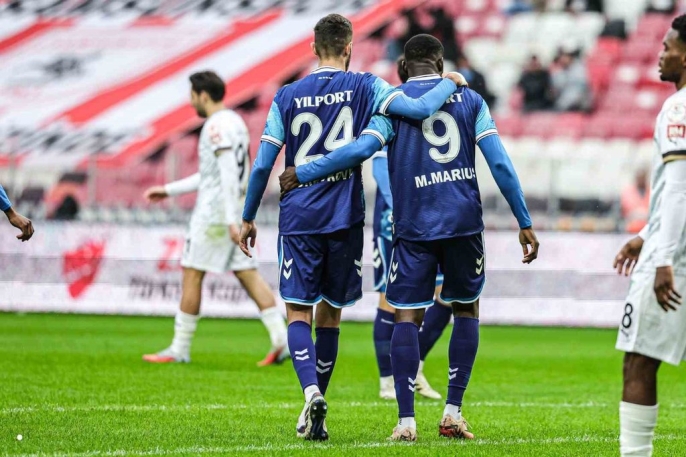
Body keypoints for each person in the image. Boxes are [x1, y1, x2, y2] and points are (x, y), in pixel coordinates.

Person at [280, 34, 539, 442]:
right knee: (466, 308)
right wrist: (523, 220)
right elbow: (500, 164)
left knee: (406, 314)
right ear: (441, 64)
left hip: (414, 227)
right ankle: (452, 412)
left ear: (404, 66)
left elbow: (358, 150)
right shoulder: (471, 101)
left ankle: (406, 421)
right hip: (463, 223)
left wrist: (303, 171)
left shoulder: (392, 106)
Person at [239, 13, 465, 441]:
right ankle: (316, 403)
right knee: (330, 315)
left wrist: (248, 215)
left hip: (300, 217)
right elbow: (419, 108)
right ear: (349, 48)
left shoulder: (286, 95)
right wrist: (450, 80)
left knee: (298, 311)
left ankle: (310, 394)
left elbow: (264, 163)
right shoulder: (367, 86)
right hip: (344, 216)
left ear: (313, 48)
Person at [141, 71, 289, 367]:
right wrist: (168, 190)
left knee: (192, 272)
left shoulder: (214, 126)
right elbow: (216, 174)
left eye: (192, 95)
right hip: (234, 208)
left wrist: (232, 220)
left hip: (215, 215)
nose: (191, 101)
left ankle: (179, 347)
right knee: (247, 274)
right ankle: (281, 340)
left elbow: (226, 172)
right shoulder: (235, 122)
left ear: (203, 95)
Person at [613, 15, 686, 457]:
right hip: (667, 242)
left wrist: (662, 257)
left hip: (675, 259)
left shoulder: (678, 108)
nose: (661, 55)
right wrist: (645, 233)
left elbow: (678, 187)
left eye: (668, 47)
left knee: (639, 361)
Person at [372, 56, 444, 402]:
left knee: (445, 295)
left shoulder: (439, 111)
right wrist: (401, 205)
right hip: (396, 217)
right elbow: (379, 168)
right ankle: (388, 380)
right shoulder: (392, 107)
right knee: (391, 297)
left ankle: (415, 368)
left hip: (433, 218)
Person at [551, 45, 592, 112]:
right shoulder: (559, 72)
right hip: (565, 107)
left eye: (565, 56)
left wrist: (559, 106)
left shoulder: (580, 69)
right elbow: (555, 89)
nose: (562, 59)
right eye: (561, 56)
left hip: (580, 108)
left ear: (571, 57)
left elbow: (575, 92)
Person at [621, 168, 650, 234]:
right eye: (639, 177)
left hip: (647, 230)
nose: (641, 180)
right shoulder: (627, 192)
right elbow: (625, 211)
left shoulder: (651, 192)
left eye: (642, 177)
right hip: (631, 230)